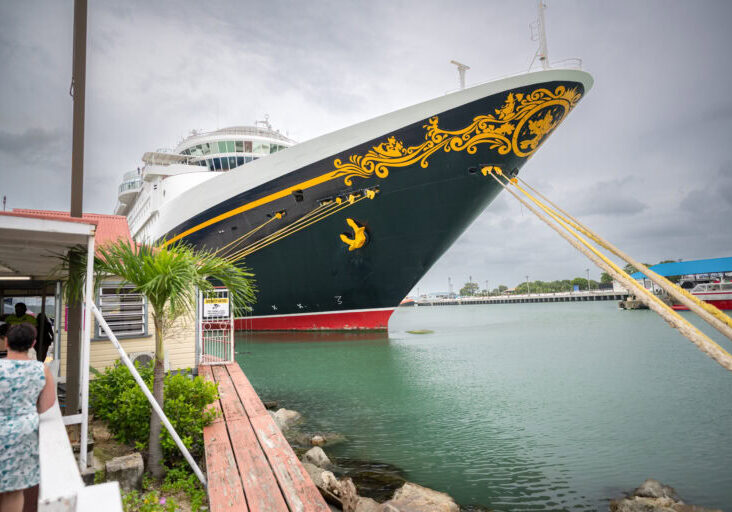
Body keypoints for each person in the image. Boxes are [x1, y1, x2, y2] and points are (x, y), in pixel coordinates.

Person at [0, 324, 56, 512]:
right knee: (13, 493)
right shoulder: (41, 370)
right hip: (22, 437)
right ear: (32, 343)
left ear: (6, 342)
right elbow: (47, 404)